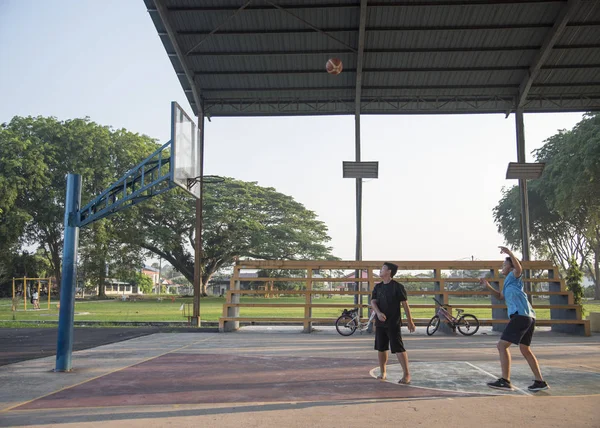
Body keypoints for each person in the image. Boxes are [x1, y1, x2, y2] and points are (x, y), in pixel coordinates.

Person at [479, 246, 549, 391]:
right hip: (528, 317)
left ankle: (505, 380)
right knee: (525, 349)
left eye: (504, 265)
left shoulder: (515, 276)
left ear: (511, 268)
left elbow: (519, 268)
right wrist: (488, 286)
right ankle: (540, 381)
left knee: (501, 346)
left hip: (521, 316)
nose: (502, 267)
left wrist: (509, 253)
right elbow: (500, 296)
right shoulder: (507, 283)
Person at [371, 262, 416, 384]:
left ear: (389, 271)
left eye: (383, 268)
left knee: (398, 348)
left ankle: (406, 375)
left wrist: (410, 321)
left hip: (393, 323)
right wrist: (379, 313)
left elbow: (405, 304)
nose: (380, 270)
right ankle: (383, 372)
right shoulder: (378, 287)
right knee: (381, 348)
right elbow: (373, 302)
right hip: (380, 323)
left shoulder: (397, 287)